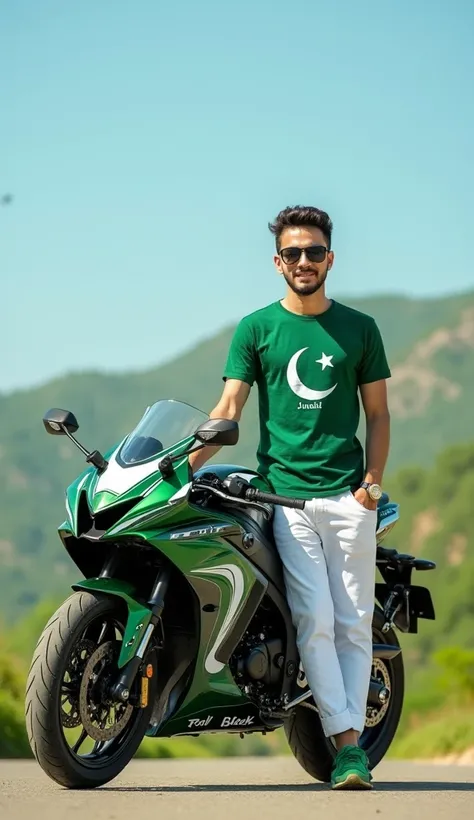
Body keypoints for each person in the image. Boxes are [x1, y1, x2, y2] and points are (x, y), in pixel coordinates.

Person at [189, 205, 391, 790]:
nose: (305, 261)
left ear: (331, 258)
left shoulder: (360, 328)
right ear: (278, 262)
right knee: (315, 621)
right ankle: (349, 748)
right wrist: (178, 471)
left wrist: (371, 485)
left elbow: (377, 414)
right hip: (285, 501)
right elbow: (228, 410)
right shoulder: (256, 329)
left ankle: (347, 742)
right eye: (294, 253)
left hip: (349, 497)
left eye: (315, 251)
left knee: (354, 625)